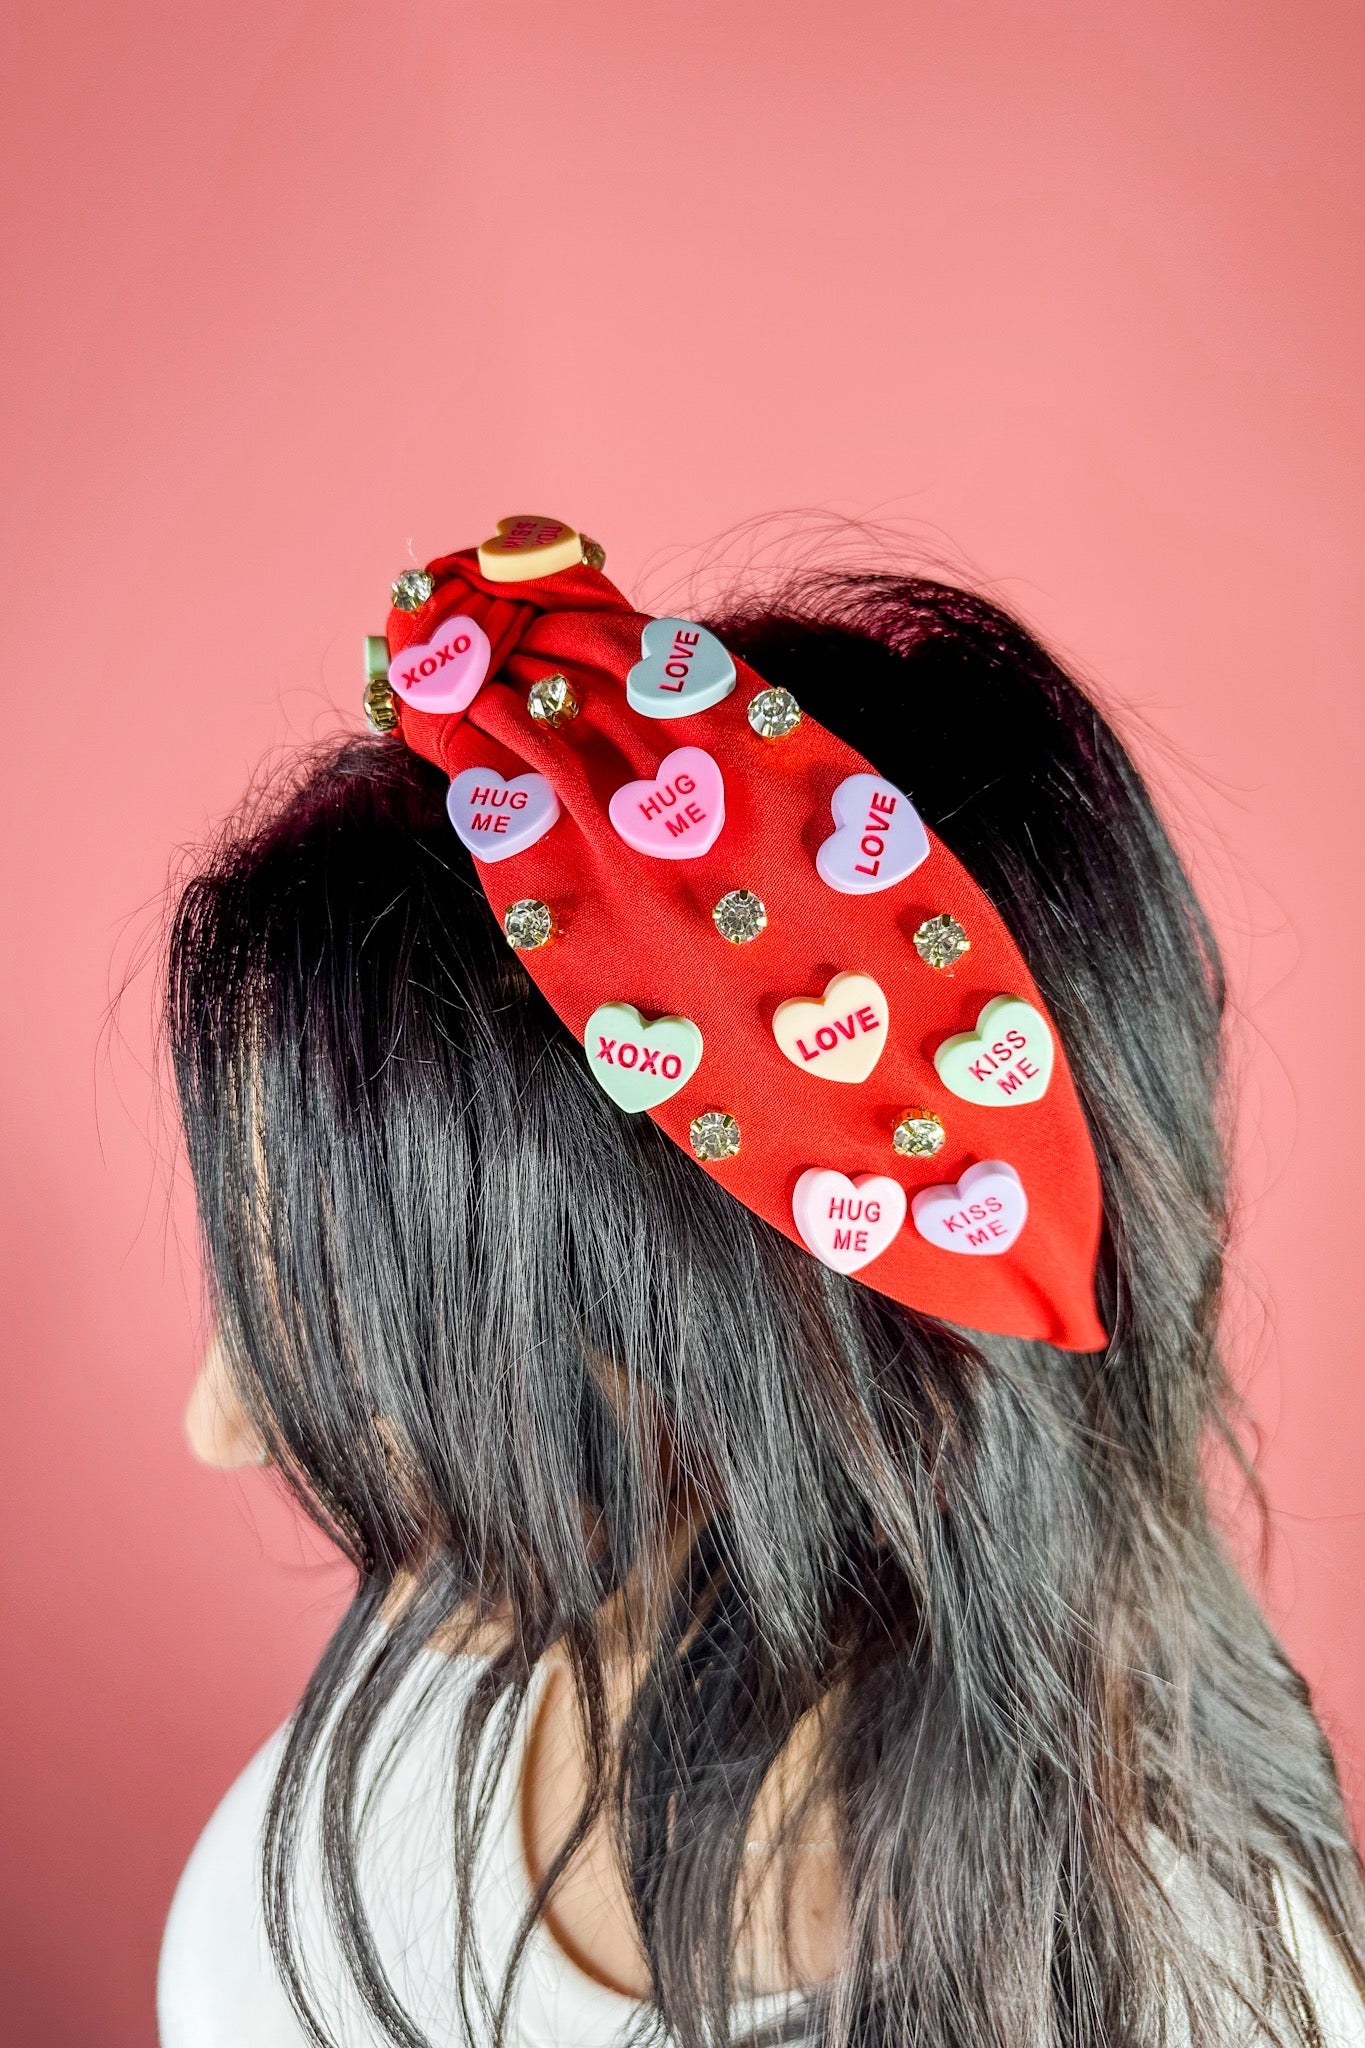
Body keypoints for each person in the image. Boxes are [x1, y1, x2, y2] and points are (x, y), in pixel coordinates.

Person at [157, 523, 1365, 2048]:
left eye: (333, 1323)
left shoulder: (1224, 2001)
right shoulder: (422, 1746)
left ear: (746, 1355)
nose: (227, 1425)